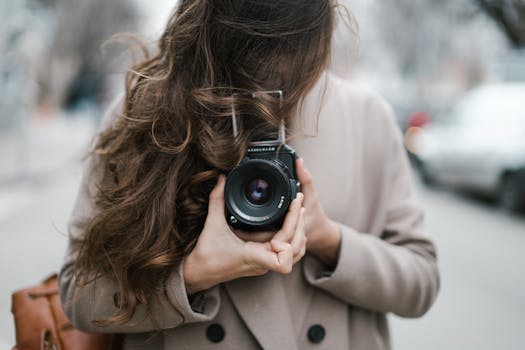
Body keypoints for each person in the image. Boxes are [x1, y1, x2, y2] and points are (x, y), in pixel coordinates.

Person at [58, 1, 440, 349]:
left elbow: (421, 282)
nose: (271, 73)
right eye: (253, 43)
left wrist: (329, 239)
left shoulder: (366, 117)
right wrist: (191, 276)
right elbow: (79, 294)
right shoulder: (145, 111)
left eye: (287, 45)